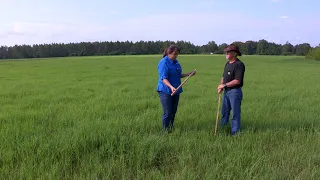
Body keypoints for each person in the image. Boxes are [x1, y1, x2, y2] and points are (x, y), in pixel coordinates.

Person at [156, 45, 196, 132]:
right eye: (174, 54)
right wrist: (171, 87)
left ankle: (171, 127)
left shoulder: (176, 62)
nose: (176, 56)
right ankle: (165, 131)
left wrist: (188, 74)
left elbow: (178, 75)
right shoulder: (164, 63)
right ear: (168, 54)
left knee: (173, 111)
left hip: (176, 89)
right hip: (165, 90)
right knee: (168, 112)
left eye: (177, 54)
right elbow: (164, 78)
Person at [217, 44, 245, 136]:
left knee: (235, 114)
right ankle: (223, 130)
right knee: (224, 113)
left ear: (234, 53)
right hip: (226, 92)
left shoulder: (239, 65)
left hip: (235, 92)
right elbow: (223, 76)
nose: (226, 53)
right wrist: (221, 86)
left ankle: (235, 133)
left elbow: (237, 81)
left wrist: (224, 85)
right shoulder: (227, 64)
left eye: (227, 52)